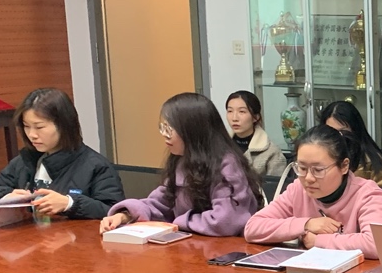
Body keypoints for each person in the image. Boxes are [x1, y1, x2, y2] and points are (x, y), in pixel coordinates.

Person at [101, 92, 262, 237]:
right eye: (162, 128)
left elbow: (226, 221)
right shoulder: (181, 159)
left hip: (225, 251)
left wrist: (179, 222)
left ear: (192, 131)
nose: (165, 135)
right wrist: (125, 215)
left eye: (169, 129)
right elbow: (160, 202)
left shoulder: (227, 163)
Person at [243, 125, 382, 258]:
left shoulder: (367, 194)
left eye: (318, 170)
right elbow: (252, 228)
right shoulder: (298, 190)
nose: (309, 178)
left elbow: (376, 244)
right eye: (302, 168)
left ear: (344, 166)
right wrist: (306, 224)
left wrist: (318, 241)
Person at [0, 87, 124, 220]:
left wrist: (70, 203)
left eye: (39, 127)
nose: (32, 135)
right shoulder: (26, 160)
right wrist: (5, 198)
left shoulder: (96, 165)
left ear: (64, 125)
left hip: (75, 237)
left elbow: (114, 211)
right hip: (31, 235)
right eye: (26, 126)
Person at [319, 99, 382, 186]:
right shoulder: (318, 156)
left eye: (343, 131)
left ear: (355, 129)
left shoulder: (372, 161)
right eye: (332, 131)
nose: (337, 136)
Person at [225, 89, 287, 180]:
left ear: (256, 117)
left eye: (242, 112)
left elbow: (276, 187)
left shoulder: (272, 153)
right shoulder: (219, 146)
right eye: (230, 111)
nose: (234, 118)